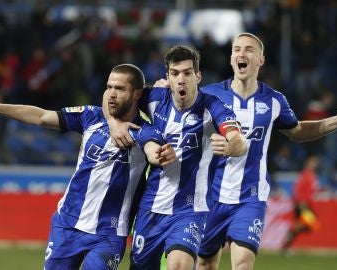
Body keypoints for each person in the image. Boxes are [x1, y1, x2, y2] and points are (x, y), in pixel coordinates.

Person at [153, 33, 337, 270]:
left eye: (249, 50)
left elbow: (298, 131)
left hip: (250, 198)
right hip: (208, 197)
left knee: (243, 264)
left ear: (260, 60)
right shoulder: (209, 96)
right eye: (236, 49)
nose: (241, 54)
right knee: (206, 263)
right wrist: (163, 89)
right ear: (231, 59)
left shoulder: (273, 100)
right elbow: (177, 103)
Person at [0, 64, 176, 270]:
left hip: (109, 234)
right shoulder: (90, 117)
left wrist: (160, 155)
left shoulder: (143, 131)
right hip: (67, 224)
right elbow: (41, 116)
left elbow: (153, 151)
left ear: (137, 93)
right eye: (109, 87)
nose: (112, 94)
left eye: (119, 89)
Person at [105, 45, 248, 270]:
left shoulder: (213, 107)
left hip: (190, 210)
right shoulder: (154, 98)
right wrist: (114, 124)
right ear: (168, 78)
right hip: (151, 207)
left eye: (187, 73)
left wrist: (232, 146)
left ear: (198, 76)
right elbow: (112, 95)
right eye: (175, 74)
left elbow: (239, 140)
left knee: (178, 267)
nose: (181, 80)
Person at [282, 154, 321, 251]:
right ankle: (288, 241)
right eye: (312, 162)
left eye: (315, 163)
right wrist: (300, 203)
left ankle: (288, 241)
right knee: (312, 224)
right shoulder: (305, 175)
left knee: (306, 225)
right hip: (302, 205)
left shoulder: (312, 176)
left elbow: (311, 190)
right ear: (307, 163)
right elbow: (297, 189)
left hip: (307, 204)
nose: (314, 165)